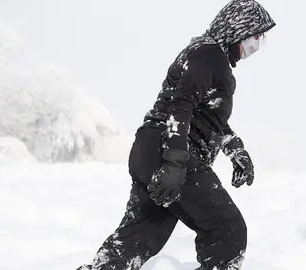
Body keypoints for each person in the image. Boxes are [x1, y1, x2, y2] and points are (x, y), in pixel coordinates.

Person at [76, 1, 276, 270]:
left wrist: (234, 147)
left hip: (152, 149)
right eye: (255, 36)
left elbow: (205, 116)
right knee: (227, 231)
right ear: (238, 28)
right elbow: (180, 106)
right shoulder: (209, 55)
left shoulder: (206, 56)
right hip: (171, 151)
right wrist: (173, 164)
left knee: (136, 239)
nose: (257, 45)